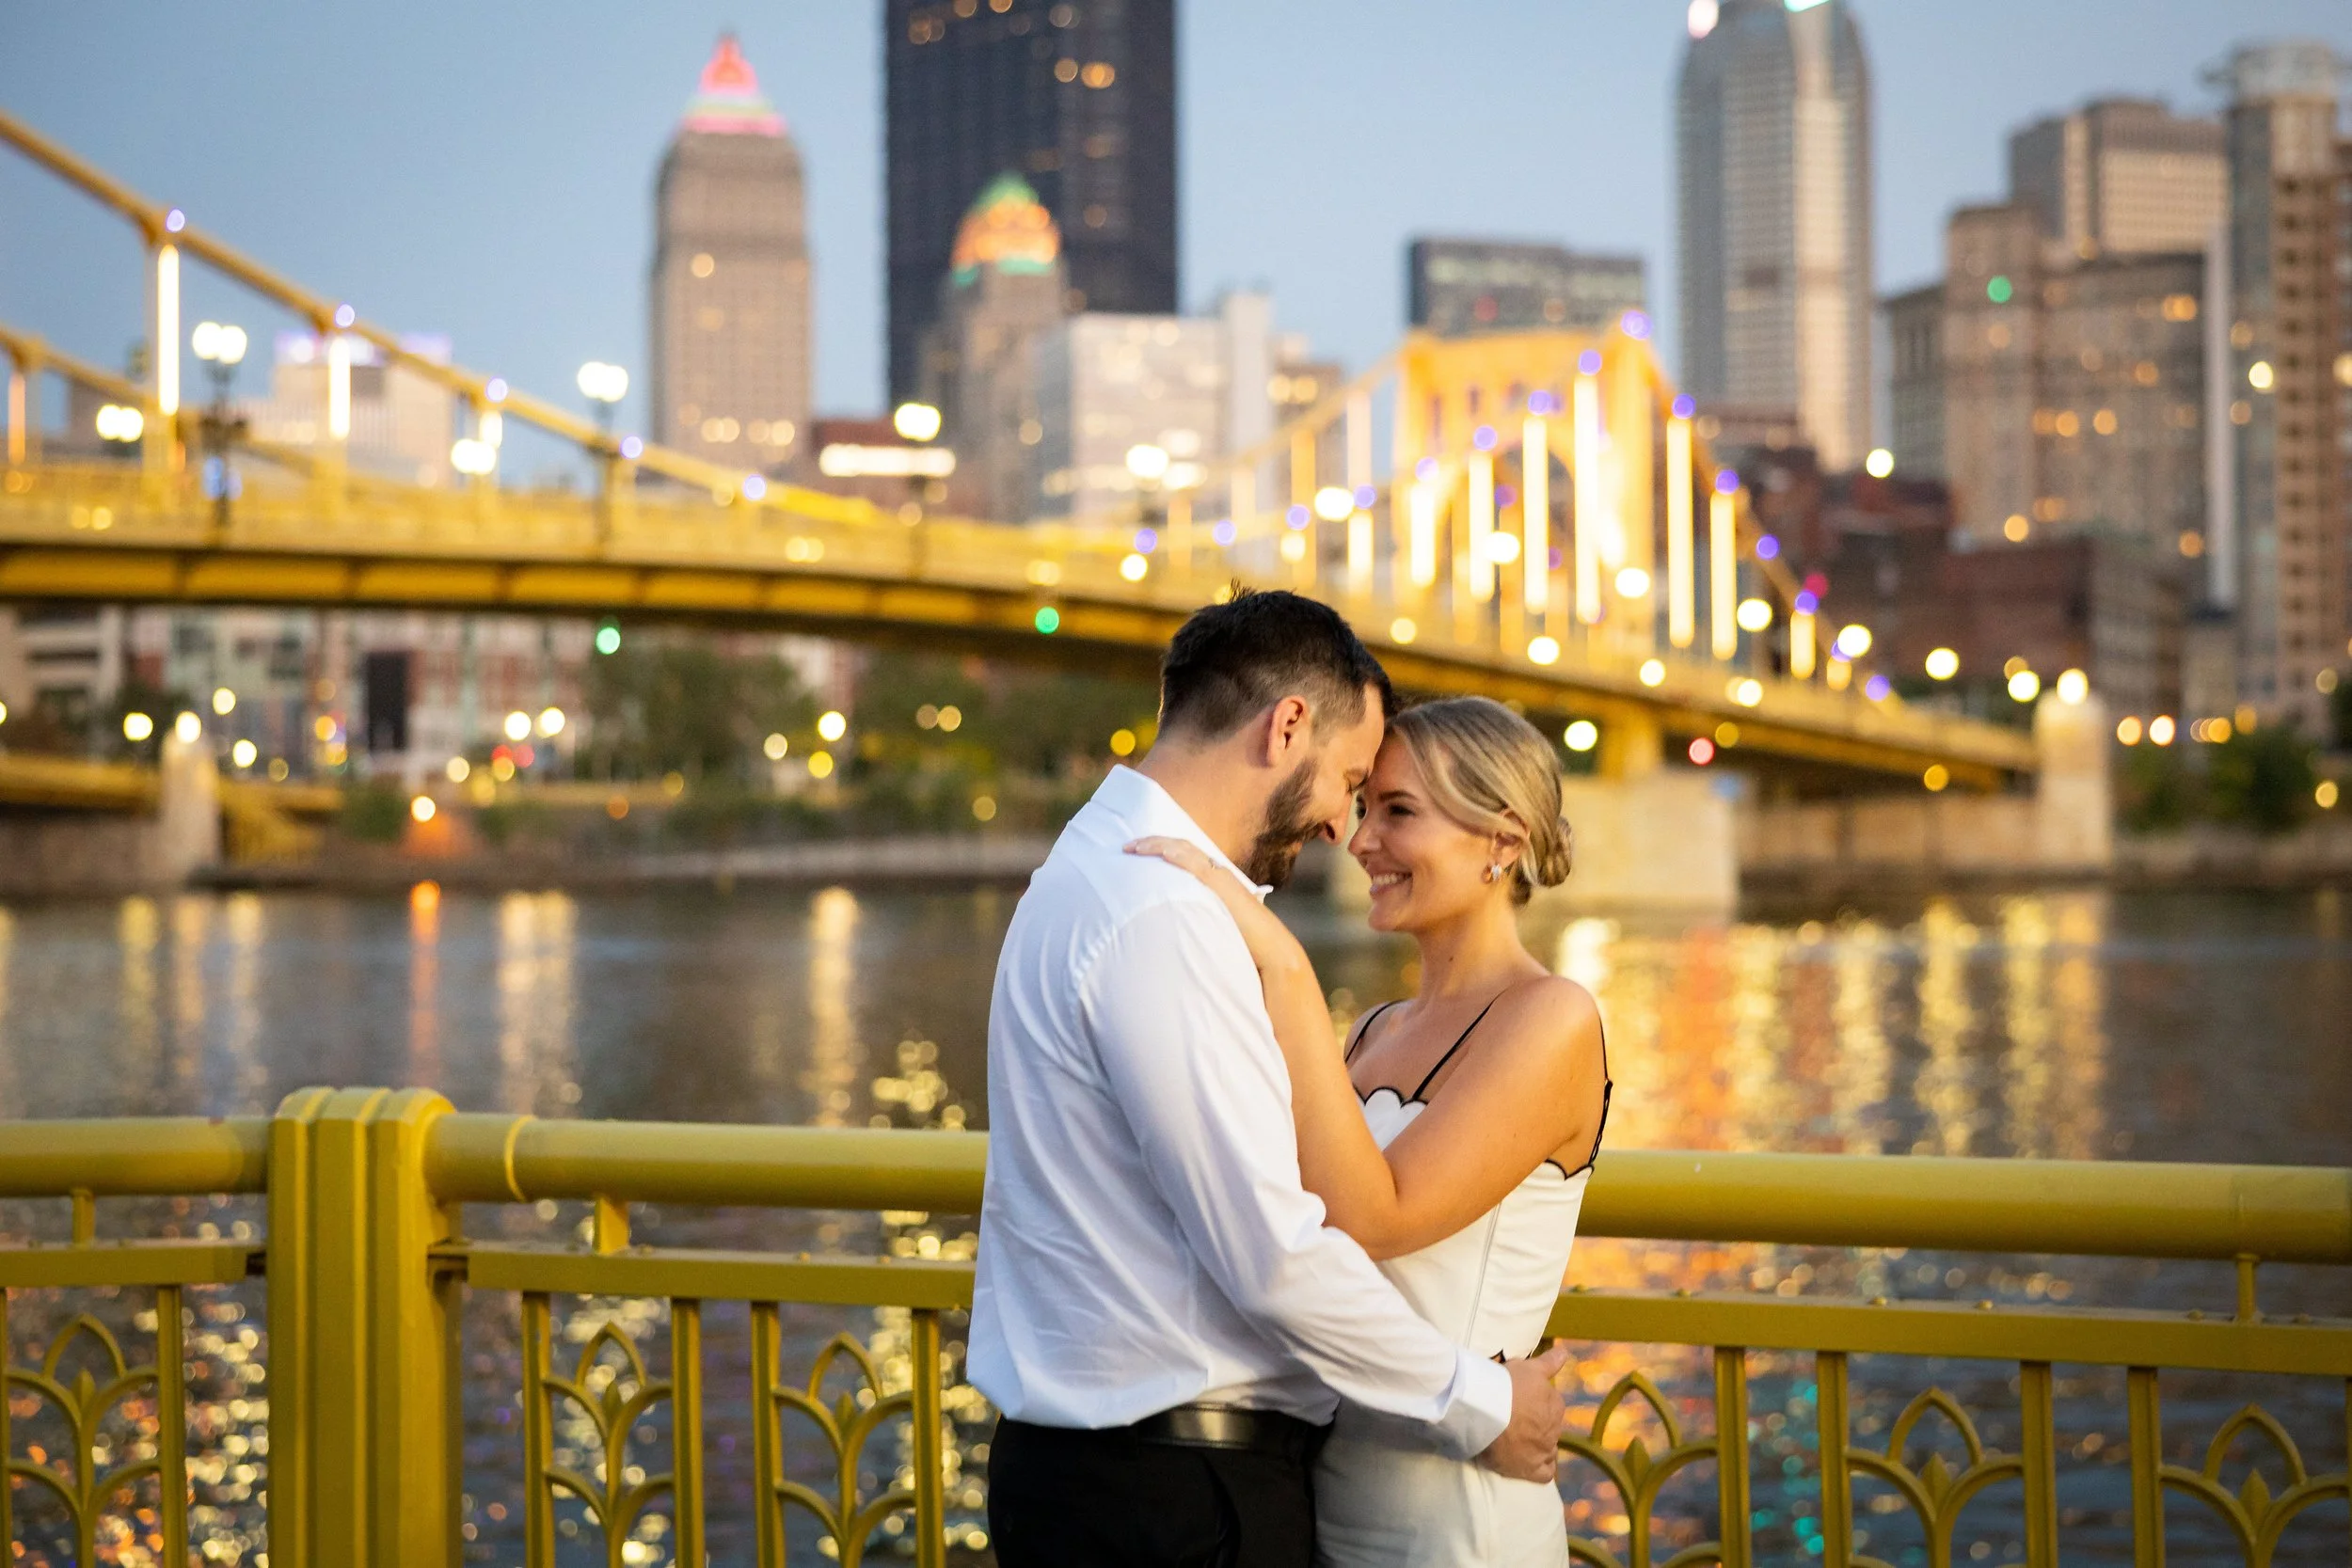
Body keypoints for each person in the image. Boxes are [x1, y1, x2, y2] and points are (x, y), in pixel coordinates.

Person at [972, 592, 1574, 1568]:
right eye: (1349, 781)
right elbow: (1271, 1251)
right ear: (1285, 724)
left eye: (1386, 806)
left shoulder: (1089, 874)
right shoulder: (1161, 912)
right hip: (1175, 1496)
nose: (1345, 825)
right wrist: (1481, 1403)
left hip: (1141, 1480)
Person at [1130, 694, 1610, 1568]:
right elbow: (1279, 1232)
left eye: (1399, 812)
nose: (1359, 842)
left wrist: (1282, 967)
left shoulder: (1553, 1017)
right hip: (1322, 1492)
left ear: (1501, 840)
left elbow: (1376, 1216)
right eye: (1363, 807)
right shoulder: (1372, 1031)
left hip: (1458, 1517)